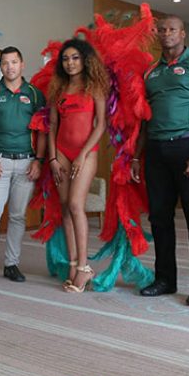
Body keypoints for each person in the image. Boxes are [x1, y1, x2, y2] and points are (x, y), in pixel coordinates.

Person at [132, 15, 189, 307]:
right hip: (156, 151)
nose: (166, 33)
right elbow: (144, 121)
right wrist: (136, 156)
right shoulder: (150, 73)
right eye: (161, 29)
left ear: (183, 33)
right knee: (159, 217)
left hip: (188, 147)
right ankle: (165, 280)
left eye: (172, 29)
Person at [0, 46, 45, 285]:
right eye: (5, 63)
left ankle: (12, 265)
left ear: (22, 65)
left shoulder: (34, 93)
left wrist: (39, 160)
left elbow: (42, 129)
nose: (9, 67)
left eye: (14, 62)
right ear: (0, 66)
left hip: (26, 162)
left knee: (17, 217)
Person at [47, 38, 108, 292]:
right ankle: (72, 263)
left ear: (84, 60)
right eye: (65, 59)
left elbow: (101, 124)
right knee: (64, 207)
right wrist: (51, 157)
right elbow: (52, 126)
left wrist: (83, 154)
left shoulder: (94, 87)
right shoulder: (59, 88)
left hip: (86, 152)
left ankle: (84, 267)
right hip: (61, 151)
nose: (70, 63)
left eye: (75, 58)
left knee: (75, 204)